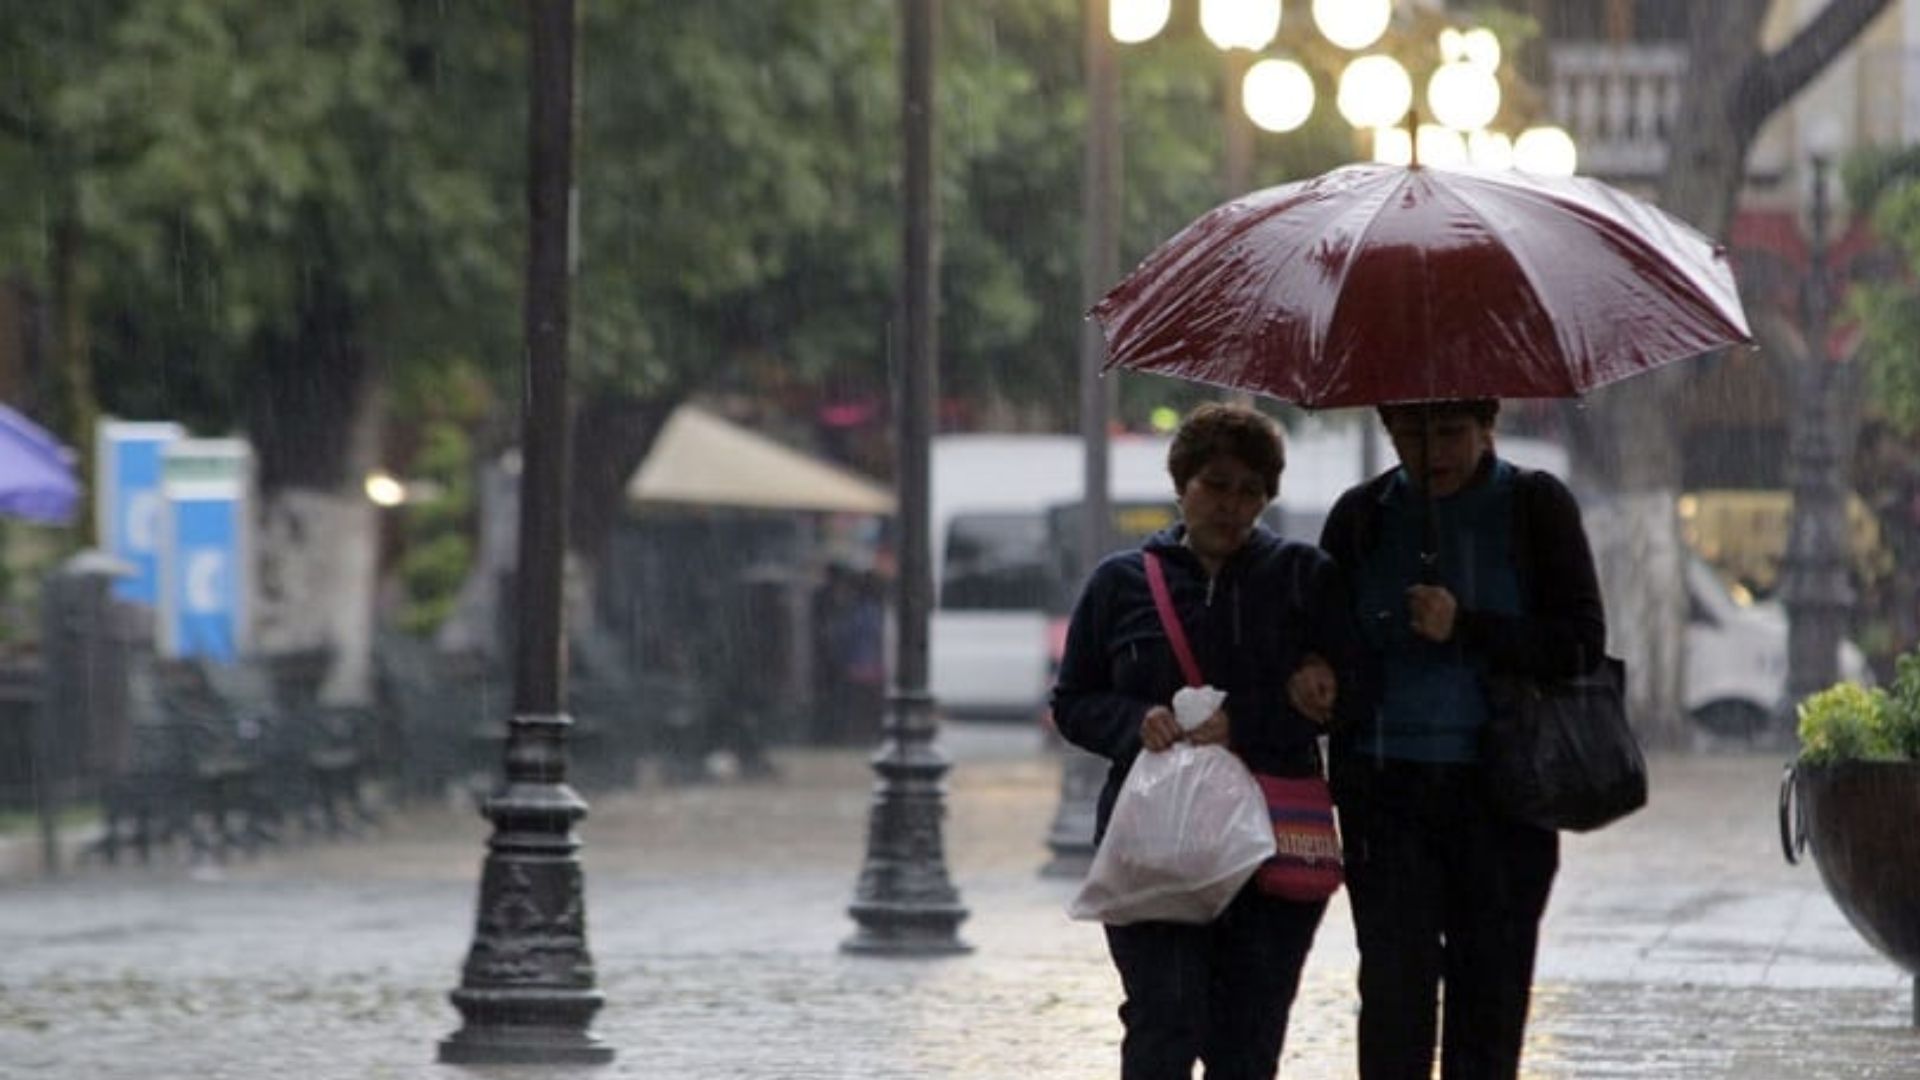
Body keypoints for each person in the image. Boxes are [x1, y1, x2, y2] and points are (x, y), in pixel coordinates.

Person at [1051, 402, 1355, 1079]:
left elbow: (1348, 698)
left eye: (1250, 490)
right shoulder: (1120, 584)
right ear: (1182, 484)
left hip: (1269, 847)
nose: (1231, 504)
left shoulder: (1304, 578)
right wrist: (1135, 722)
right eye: (1215, 485)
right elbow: (1073, 701)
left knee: (1247, 1038)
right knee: (1165, 1017)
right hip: (1154, 844)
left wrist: (1253, 716)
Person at [1317, 398, 1605, 1080]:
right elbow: (1320, 634)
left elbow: (1580, 646)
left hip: (1503, 796)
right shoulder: (1360, 518)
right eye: (1411, 433)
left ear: (1486, 427)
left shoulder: (1535, 508)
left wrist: (1468, 626)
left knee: (1490, 1005)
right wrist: (1320, 672)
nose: (1432, 452)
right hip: (1385, 798)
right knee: (1393, 1000)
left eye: (1450, 432)